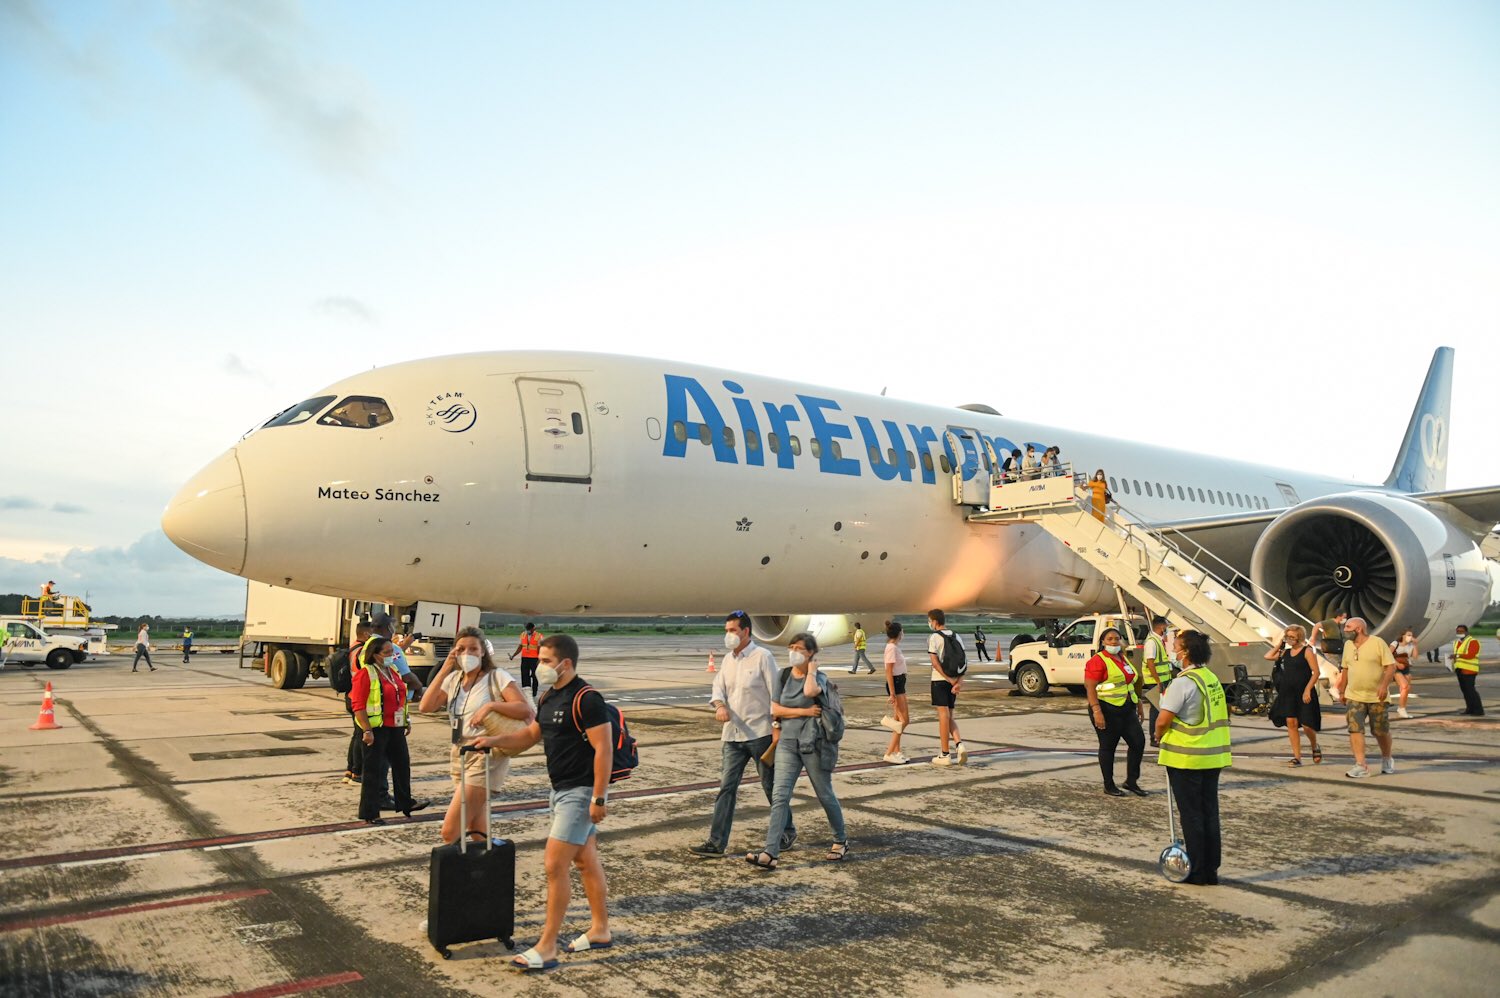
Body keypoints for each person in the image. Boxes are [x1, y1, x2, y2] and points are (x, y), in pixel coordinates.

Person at [473, 634, 613, 971]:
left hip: (580, 794)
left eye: (546, 661)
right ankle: (601, 930)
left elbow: (604, 749)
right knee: (585, 861)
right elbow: (530, 735)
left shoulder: (588, 699)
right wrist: (493, 739)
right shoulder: (550, 696)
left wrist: (598, 797)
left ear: (566, 664)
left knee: (554, 865)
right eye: (540, 660)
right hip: (559, 791)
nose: (540, 667)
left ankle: (547, 947)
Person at [689, 611, 796, 858]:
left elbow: (776, 694)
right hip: (733, 737)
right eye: (726, 631)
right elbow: (718, 688)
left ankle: (787, 831)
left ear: (746, 631)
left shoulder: (763, 657)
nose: (728, 635)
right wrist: (719, 706)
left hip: (760, 735)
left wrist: (778, 729)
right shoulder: (728, 660)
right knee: (726, 788)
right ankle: (716, 843)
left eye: (732, 630)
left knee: (770, 787)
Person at [419, 625, 533, 845]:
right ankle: (484, 872)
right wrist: (445, 668)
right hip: (460, 752)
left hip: (486, 753)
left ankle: (457, 876)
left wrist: (491, 706)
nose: (467, 654)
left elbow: (524, 709)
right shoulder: (453, 680)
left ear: (483, 652)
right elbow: (426, 706)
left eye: (473, 649)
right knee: (476, 827)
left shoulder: (496, 677)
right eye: (461, 649)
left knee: (450, 832)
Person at [746, 633, 848, 869]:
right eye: (791, 647)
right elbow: (775, 709)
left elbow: (811, 692)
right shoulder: (782, 676)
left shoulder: (819, 678)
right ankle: (770, 852)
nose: (793, 651)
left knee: (824, 793)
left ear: (811, 653)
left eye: (799, 648)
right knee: (780, 796)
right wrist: (801, 712)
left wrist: (812, 671)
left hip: (813, 743)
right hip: (787, 744)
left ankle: (840, 839)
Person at [1155, 630, 1232, 886]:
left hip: (1187, 758)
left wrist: (1158, 735)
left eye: (1175, 646)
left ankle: (1197, 870)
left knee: (1192, 816)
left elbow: (1163, 720)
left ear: (1185, 652)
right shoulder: (1210, 678)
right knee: (1210, 813)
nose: (1172, 650)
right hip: (1213, 756)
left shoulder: (1182, 682)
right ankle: (1211, 869)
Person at [351, 636, 420, 824]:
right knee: (374, 771)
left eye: (393, 652)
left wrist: (406, 720)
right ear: (375, 655)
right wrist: (366, 730)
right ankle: (370, 812)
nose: (392, 656)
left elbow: (400, 698)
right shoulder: (366, 673)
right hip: (376, 729)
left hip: (395, 727)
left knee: (402, 765)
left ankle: (405, 802)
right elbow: (358, 705)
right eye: (387, 653)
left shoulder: (394, 670)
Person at [368, 613, 427, 810]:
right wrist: (419, 688)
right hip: (390, 711)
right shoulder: (388, 648)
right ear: (387, 627)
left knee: (381, 758)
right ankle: (383, 797)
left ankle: (391, 798)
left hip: (376, 712)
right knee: (393, 759)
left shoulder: (367, 646)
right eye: (392, 626)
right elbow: (406, 676)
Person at [1085, 626, 1146, 796]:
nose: (1114, 642)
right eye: (1110, 639)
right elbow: (1090, 687)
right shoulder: (1098, 660)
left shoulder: (1122, 658)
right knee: (1108, 747)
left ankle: (1131, 781)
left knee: (1138, 742)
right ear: (1103, 642)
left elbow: (1130, 683)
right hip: (1106, 708)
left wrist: (1138, 702)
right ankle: (1109, 784)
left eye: (1117, 638)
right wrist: (1097, 711)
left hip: (1127, 708)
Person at [1335, 617, 1398, 778]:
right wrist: (1341, 691)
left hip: (1377, 696)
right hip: (1354, 695)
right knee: (1355, 729)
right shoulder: (1348, 645)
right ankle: (1360, 764)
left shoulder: (1377, 643)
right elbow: (1345, 670)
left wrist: (1384, 686)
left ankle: (1387, 758)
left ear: (1359, 629)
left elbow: (1391, 666)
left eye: (1348, 627)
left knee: (1380, 731)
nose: (1345, 630)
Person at [1264, 625, 1322, 765]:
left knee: (1307, 724)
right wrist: (1280, 644)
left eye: (1292, 637)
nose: (1289, 639)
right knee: (1291, 723)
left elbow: (1316, 672)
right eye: (1287, 636)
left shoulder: (1307, 651)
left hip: (1304, 692)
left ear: (1300, 638)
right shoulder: (1285, 652)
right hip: (1288, 692)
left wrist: (1308, 689)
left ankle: (1314, 745)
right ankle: (1297, 757)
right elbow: (1268, 656)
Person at [927, 609, 968, 766]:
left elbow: (935, 663)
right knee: (950, 716)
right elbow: (963, 661)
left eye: (930, 621)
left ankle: (945, 754)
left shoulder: (935, 637)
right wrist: (959, 681)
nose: (929, 623)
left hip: (940, 681)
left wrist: (949, 680)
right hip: (955, 680)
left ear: (935, 621)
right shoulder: (956, 636)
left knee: (943, 716)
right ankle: (959, 744)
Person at [342, 621, 372, 786]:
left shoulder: (353, 647)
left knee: (356, 734)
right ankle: (357, 773)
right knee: (362, 735)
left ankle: (350, 770)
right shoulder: (362, 651)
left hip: (351, 695)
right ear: (367, 634)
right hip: (359, 697)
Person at [880, 620, 910, 764]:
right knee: (904, 720)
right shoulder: (891, 648)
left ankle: (897, 751)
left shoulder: (894, 647)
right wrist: (892, 693)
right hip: (896, 685)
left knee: (899, 720)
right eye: (902, 631)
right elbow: (889, 671)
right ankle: (889, 753)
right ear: (899, 633)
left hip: (900, 683)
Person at [1140, 617, 1173, 746]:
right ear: (1161, 628)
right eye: (1166, 627)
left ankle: (1159, 735)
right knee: (1156, 709)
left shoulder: (1158, 641)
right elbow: (1150, 663)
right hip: (1155, 681)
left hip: (1162, 680)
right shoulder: (1152, 642)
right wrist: (1158, 681)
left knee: (1161, 708)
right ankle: (1154, 738)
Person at [1451, 624, 1484, 716]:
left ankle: (1478, 710)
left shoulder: (1473, 641)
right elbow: (1457, 655)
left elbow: (1471, 655)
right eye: (1457, 631)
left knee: (1471, 690)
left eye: (1461, 631)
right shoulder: (1456, 642)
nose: (1459, 633)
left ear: (1466, 632)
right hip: (1459, 669)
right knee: (1465, 691)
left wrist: (1457, 656)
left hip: (1469, 669)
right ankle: (1470, 708)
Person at [1390, 627, 1419, 719]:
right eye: (1408, 635)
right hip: (1396, 667)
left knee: (1405, 689)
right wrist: (1397, 664)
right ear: (1403, 635)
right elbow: (1387, 654)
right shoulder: (1395, 644)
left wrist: (1415, 645)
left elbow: (1415, 657)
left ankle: (1402, 708)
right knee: (1405, 686)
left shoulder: (1410, 646)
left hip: (1406, 667)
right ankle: (1401, 709)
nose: (1410, 637)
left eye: (1411, 635)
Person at [510, 622, 544, 698]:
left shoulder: (539, 636)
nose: (528, 631)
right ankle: (526, 692)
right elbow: (520, 646)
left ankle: (534, 691)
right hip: (525, 658)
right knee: (524, 675)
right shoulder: (523, 634)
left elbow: (540, 648)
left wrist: (539, 659)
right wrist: (513, 655)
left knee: (535, 675)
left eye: (529, 630)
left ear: (533, 629)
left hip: (535, 659)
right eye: (527, 629)